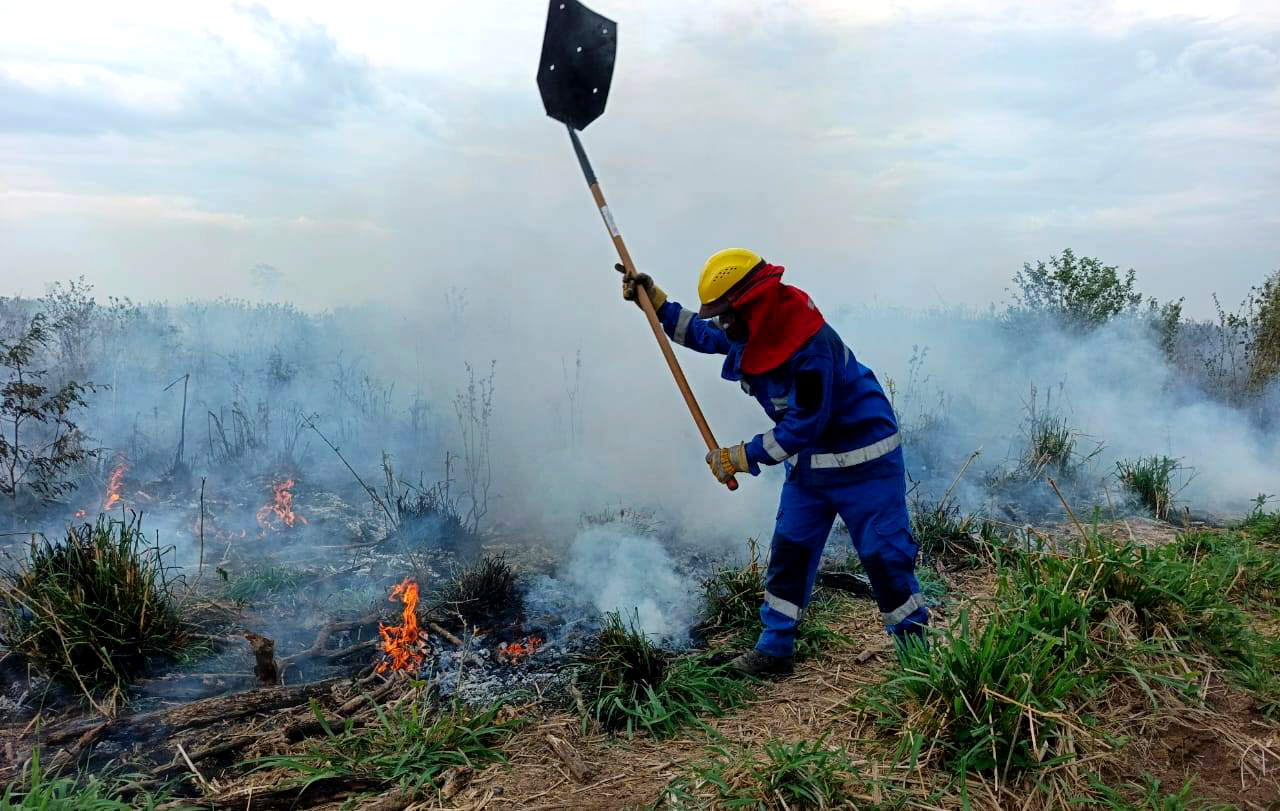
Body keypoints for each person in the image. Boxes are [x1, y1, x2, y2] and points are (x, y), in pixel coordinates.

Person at [620, 249, 928, 676]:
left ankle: (920, 662)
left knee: (884, 556)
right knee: (791, 551)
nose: (723, 323)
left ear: (753, 306)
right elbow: (704, 335)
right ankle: (775, 649)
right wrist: (656, 303)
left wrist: (741, 456)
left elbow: (805, 425)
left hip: (865, 466)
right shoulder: (756, 327)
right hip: (810, 470)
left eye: (728, 314)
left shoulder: (810, 347)